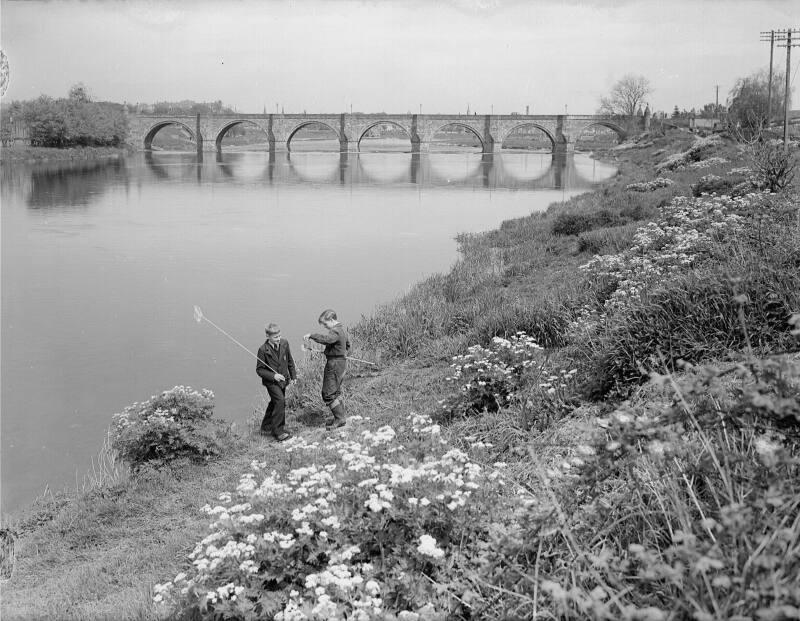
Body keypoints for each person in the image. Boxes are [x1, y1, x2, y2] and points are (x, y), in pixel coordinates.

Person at [304, 309, 350, 429]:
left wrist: (312, 336)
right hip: (341, 362)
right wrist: (337, 352)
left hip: (334, 364)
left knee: (328, 393)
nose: (325, 327)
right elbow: (347, 345)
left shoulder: (335, 331)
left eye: (325, 324)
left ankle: (340, 419)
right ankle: (340, 417)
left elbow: (327, 339)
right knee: (336, 391)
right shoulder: (342, 330)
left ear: (331, 320)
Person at [256, 323, 296, 441]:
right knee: (280, 402)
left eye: (279, 336)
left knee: (274, 402)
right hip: (272, 382)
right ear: (268, 336)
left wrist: (293, 377)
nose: (278, 339)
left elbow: (289, 360)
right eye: (275, 337)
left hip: (283, 381)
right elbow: (259, 370)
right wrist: (274, 376)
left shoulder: (284, 343)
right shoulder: (263, 350)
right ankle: (278, 431)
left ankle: (266, 426)